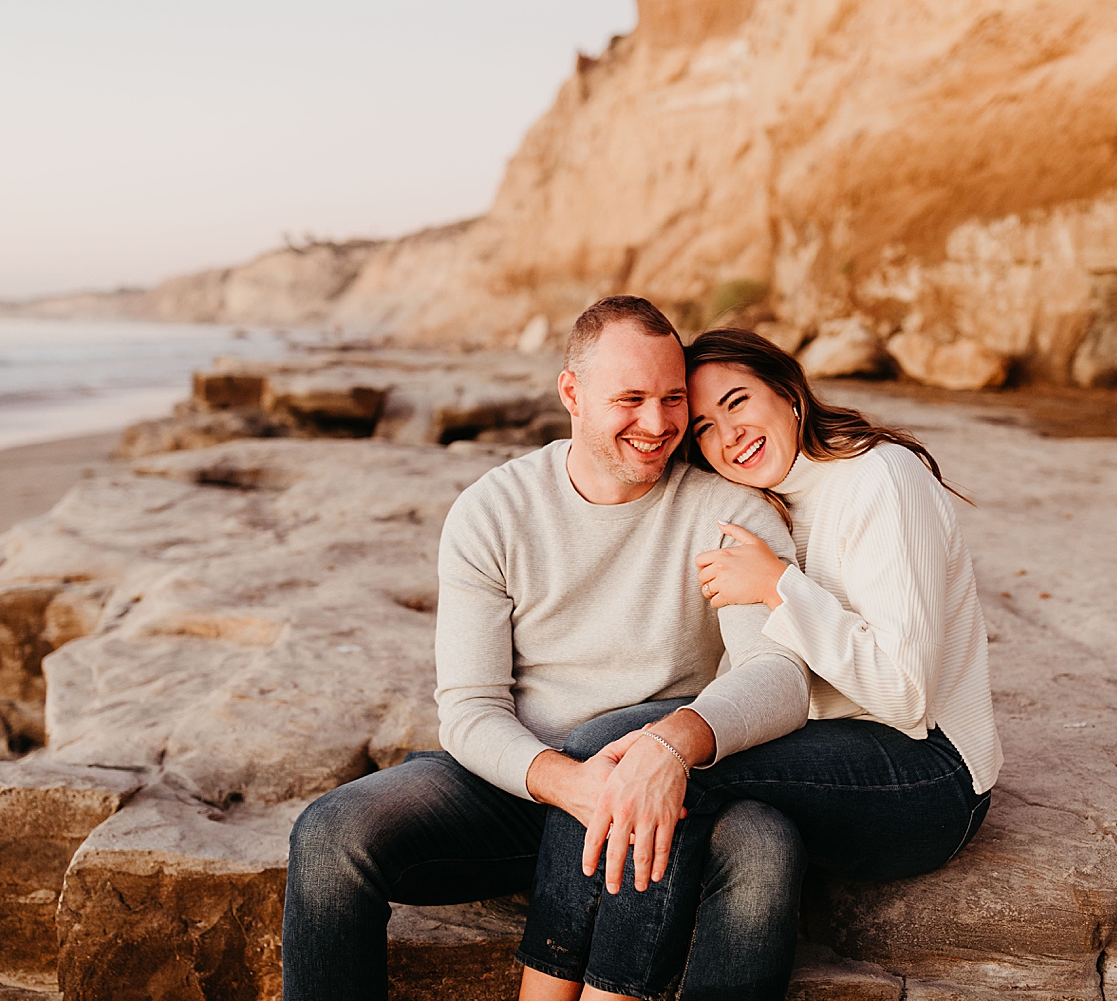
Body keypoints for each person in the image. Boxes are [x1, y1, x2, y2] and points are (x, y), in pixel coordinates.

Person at [282, 299, 815, 1001]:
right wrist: (574, 785)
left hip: (662, 790)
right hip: (517, 786)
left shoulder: (731, 513)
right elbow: (469, 710)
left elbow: (778, 673)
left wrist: (672, 747)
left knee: (764, 846)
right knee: (329, 837)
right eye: (629, 399)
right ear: (571, 393)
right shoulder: (493, 510)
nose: (657, 425)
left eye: (672, 398)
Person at [516, 327, 1002, 1001]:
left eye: (740, 401)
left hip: (931, 772)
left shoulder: (880, 477)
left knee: (642, 758)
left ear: (789, 389)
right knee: (651, 769)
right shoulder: (773, 498)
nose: (729, 435)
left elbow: (906, 693)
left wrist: (779, 585)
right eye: (707, 426)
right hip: (830, 753)